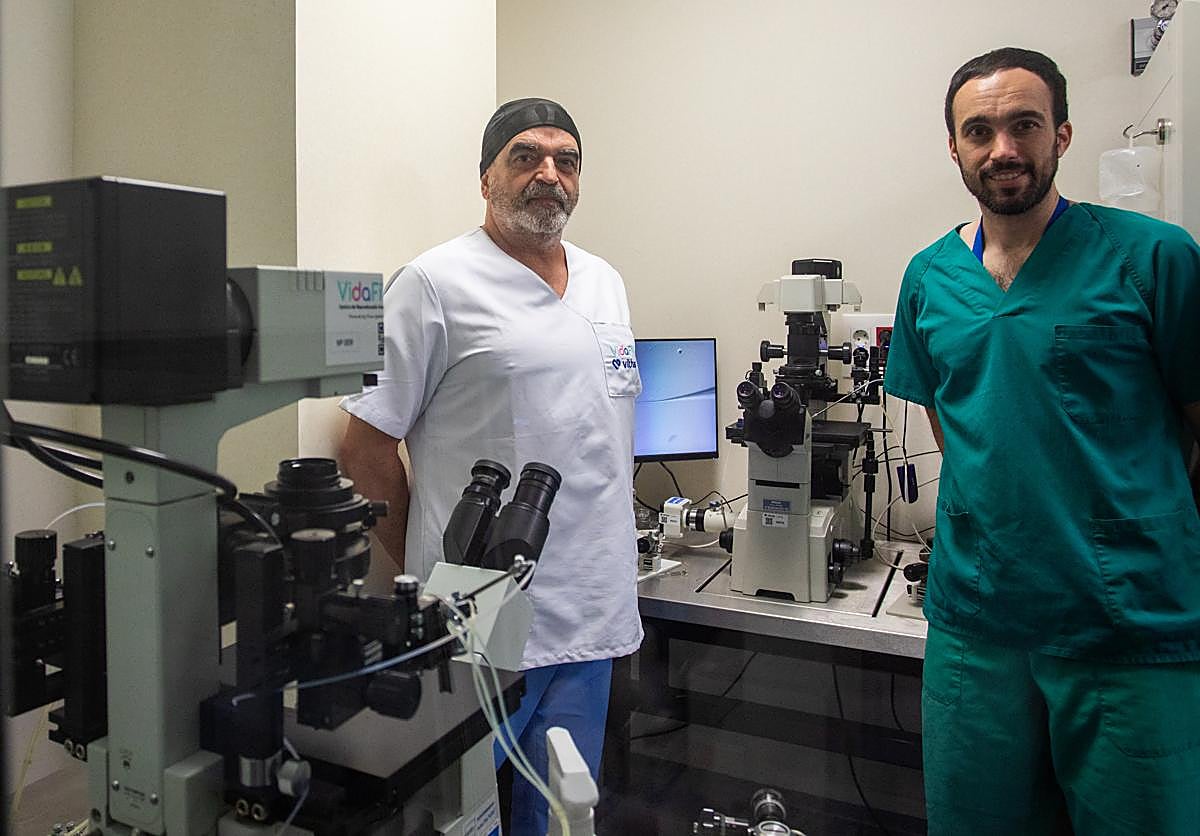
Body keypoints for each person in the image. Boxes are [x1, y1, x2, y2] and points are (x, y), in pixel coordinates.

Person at [884, 47, 1200, 835]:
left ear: (1061, 133)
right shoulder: (929, 277)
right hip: (976, 630)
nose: (1003, 149)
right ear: (952, 148)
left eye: (1024, 125)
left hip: (1126, 629)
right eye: (980, 131)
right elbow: (962, 437)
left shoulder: (1154, 258)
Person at [338, 98, 643, 835]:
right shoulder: (433, 283)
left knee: (566, 817)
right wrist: (433, 555)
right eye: (525, 158)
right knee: (462, 817)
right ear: (485, 179)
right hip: (477, 616)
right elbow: (364, 448)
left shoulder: (606, 281)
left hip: (593, 610)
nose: (549, 174)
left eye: (565, 161)